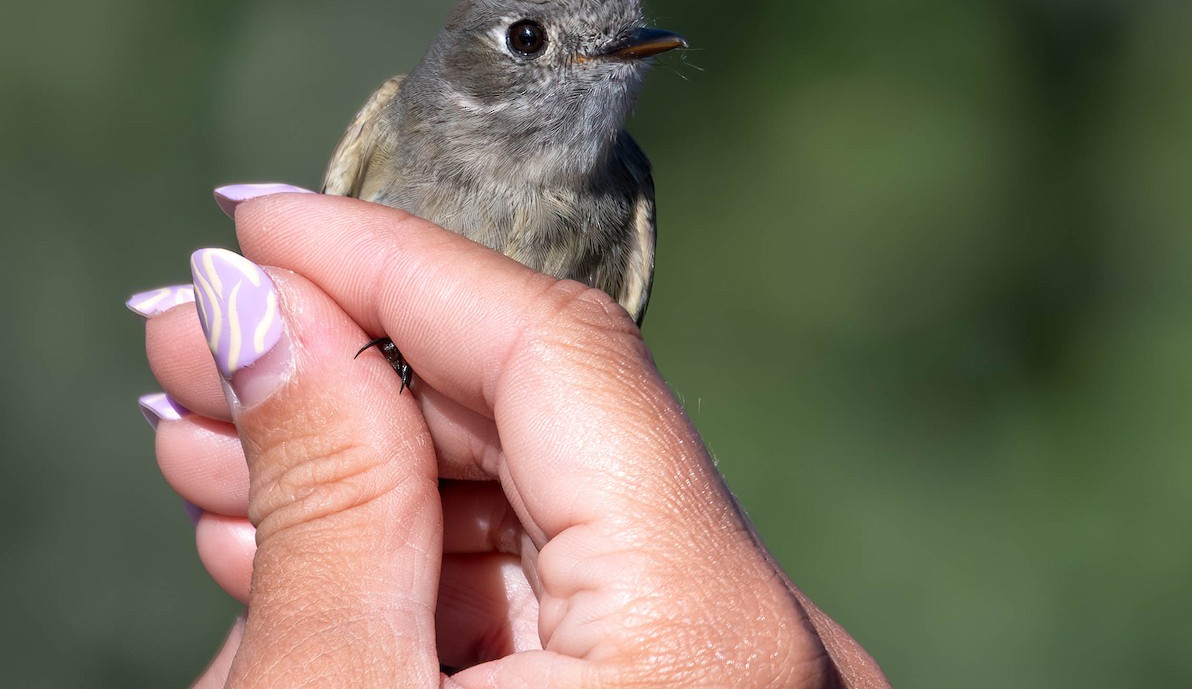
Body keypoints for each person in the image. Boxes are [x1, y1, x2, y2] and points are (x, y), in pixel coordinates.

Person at [133, 186, 890, 687]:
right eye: (532, 40)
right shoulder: (394, 117)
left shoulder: (620, 193)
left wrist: (323, 478)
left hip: (500, 502)